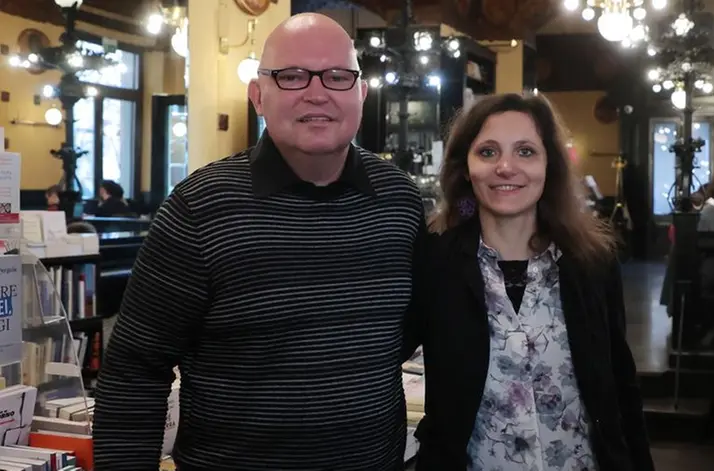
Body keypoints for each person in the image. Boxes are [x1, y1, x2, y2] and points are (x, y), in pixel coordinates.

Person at [93, 13, 425, 471]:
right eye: (290, 76)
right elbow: (134, 372)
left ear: (361, 94)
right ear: (258, 96)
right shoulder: (200, 209)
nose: (317, 92)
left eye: (337, 76)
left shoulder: (399, 201)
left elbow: (399, 336)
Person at [405, 93, 654, 470]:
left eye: (525, 151)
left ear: (549, 165)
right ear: (465, 167)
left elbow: (621, 387)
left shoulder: (592, 263)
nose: (505, 167)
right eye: (488, 152)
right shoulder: (435, 264)